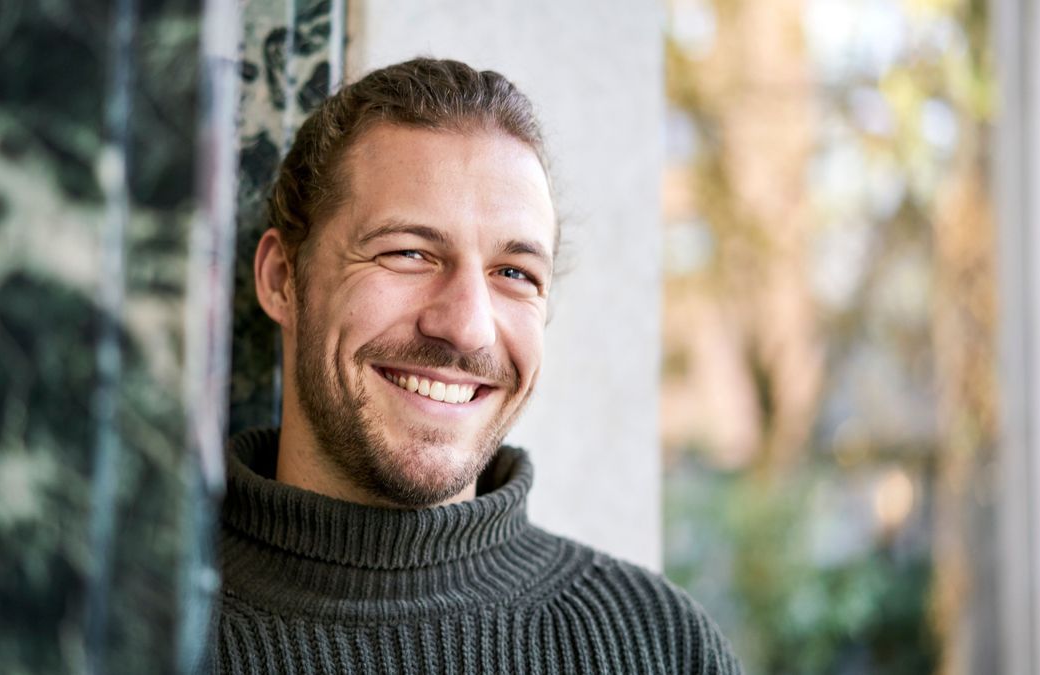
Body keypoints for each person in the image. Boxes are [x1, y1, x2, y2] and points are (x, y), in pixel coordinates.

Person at [209, 57, 742, 674]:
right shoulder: (129, 626)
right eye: (408, 252)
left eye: (514, 274)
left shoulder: (660, 647)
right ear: (281, 280)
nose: (466, 326)